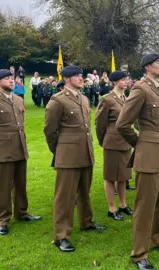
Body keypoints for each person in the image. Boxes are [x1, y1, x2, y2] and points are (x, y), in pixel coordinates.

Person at [115, 54, 159, 270]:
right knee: (145, 205)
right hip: (149, 154)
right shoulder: (140, 89)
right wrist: (141, 143)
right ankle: (139, 253)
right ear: (147, 67)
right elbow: (123, 124)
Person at [44, 66, 106, 253]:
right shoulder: (58, 100)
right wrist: (60, 151)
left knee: (84, 192)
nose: (81, 78)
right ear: (67, 79)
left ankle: (86, 221)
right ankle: (61, 235)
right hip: (68, 156)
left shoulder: (84, 98)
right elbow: (50, 131)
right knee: (65, 197)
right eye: (76, 76)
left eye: (81, 75)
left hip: (85, 152)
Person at [0, 69, 42, 235]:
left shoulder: (18, 100)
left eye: (11, 78)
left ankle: (21, 212)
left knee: (20, 184)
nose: (11, 81)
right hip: (1, 151)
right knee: (2, 187)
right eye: (6, 79)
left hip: (19, 148)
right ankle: (1, 220)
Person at [95, 71, 133, 222]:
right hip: (112, 141)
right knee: (110, 176)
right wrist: (103, 140)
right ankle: (112, 208)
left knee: (123, 176)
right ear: (116, 82)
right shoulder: (107, 99)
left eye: (127, 79)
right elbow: (100, 123)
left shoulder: (126, 98)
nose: (127, 82)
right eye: (124, 80)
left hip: (125, 142)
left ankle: (123, 205)